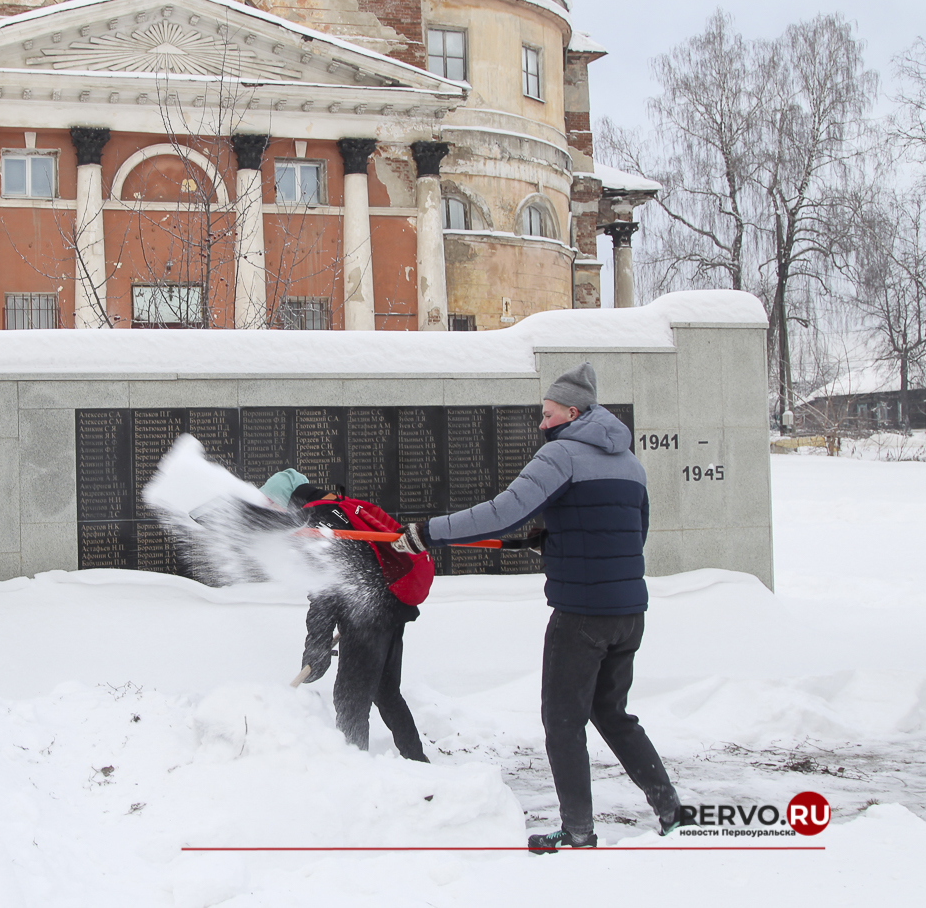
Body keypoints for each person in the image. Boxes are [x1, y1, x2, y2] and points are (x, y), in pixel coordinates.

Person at [405, 362, 684, 851]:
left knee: (562, 720)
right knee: (612, 713)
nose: (541, 423)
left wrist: (428, 533)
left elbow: (502, 511)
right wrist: (554, 542)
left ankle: (577, 830)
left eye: (547, 414)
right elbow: (629, 537)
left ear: (572, 413)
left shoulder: (561, 456)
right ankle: (671, 810)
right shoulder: (631, 463)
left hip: (580, 617)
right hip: (628, 614)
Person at [293, 484, 429, 762]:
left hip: (364, 617)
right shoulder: (344, 511)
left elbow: (324, 592)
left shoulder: (318, 523)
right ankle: (417, 762)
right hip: (392, 608)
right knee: (387, 692)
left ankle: (354, 774)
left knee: (350, 701)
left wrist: (317, 648)